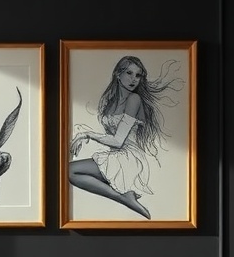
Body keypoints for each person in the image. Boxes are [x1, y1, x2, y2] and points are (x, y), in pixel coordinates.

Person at [69, 54, 183, 220]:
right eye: (129, 73)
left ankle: (123, 197)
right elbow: (112, 138)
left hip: (129, 158)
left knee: (69, 170)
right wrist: (82, 134)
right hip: (117, 155)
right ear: (118, 74)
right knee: (70, 171)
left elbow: (117, 141)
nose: (134, 79)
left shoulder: (134, 99)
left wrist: (87, 134)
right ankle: (123, 196)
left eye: (138, 75)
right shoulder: (110, 101)